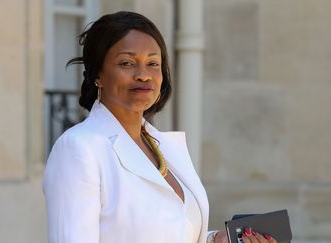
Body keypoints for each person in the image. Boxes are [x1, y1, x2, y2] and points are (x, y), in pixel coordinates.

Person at [42, 11, 277, 243]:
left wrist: (215, 240)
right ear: (98, 75)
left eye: (153, 63)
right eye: (127, 63)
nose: (144, 75)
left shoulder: (162, 147)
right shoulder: (78, 148)